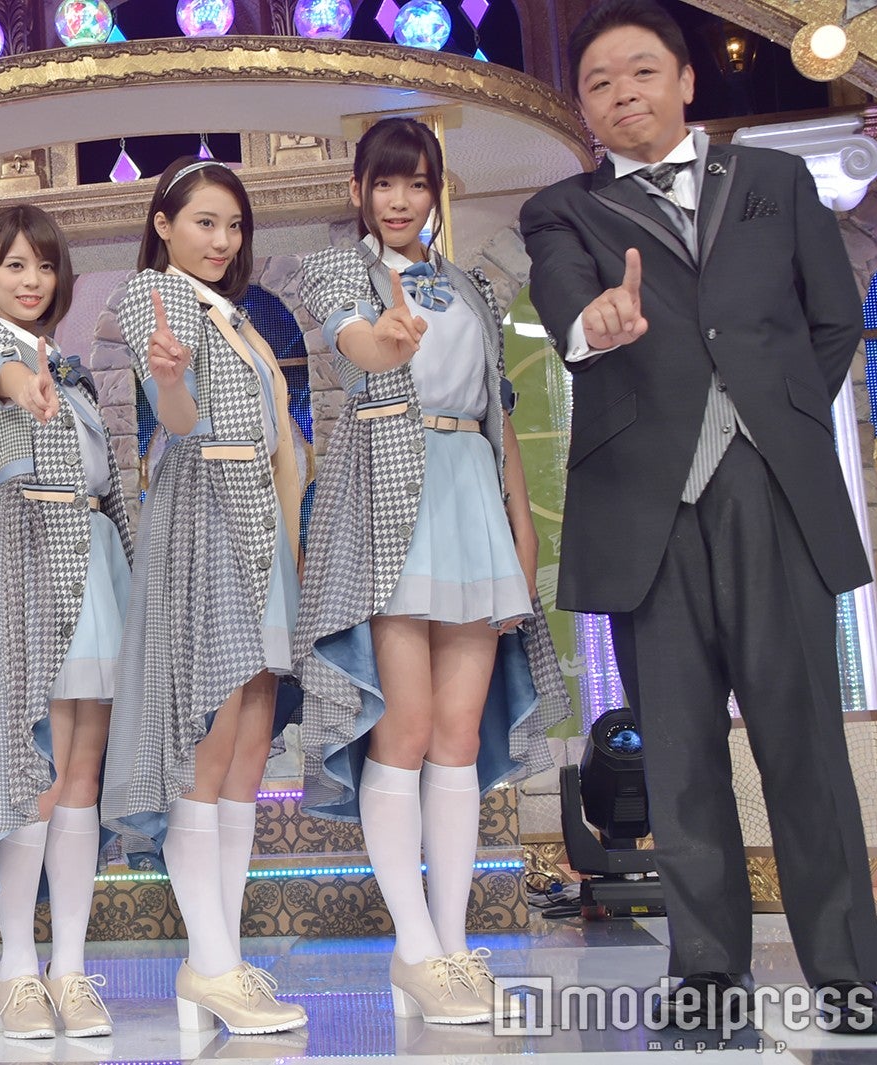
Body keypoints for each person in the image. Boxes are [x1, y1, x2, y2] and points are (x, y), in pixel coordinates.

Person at [519, 0, 877, 1033]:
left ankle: (846, 974)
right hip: (648, 511)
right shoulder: (562, 212)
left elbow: (832, 319)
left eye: (640, 72)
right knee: (678, 759)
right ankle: (709, 975)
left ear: (685, 81)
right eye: (598, 84)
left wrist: (773, 420)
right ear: (584, 109)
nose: (622, 94)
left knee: (805, 747)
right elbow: (566, 303)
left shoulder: (773, 182)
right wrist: (594, 323)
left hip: (772, 495)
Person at [297, 117, 570, 1024]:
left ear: (435, 191)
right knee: (404, 725)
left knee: (458, 737)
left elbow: (498, 413)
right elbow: (357, 343)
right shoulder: (337, 271)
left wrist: (522, 538)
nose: (401, 200)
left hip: (472, 501)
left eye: (416, 183)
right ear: (358, 191)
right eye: (385, 183)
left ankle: (450, 944)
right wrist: (388, 342)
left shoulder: (471, 288)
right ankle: (412, 946)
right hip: (387, 496)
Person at [100, 157, 307, 1036]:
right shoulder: (159, 297)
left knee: (249, 754)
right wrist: (170, 382)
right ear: (163, 223)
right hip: (205, 517)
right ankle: (213, 962)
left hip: (257, 524)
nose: (221, 240)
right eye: (204, 222)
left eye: (232, 225)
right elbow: (177, 420)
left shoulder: (236, 315)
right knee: (208, 746)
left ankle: (219, 958)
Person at [0, 204, 133, 1039]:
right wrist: (24, 383)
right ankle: (16, 966)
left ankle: (71, 967)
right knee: (34, 768)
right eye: (14, 265)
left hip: (96, 557)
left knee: (83, 774)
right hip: (27, 550)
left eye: (45, 266)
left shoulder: (76, 372)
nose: (31, 280)